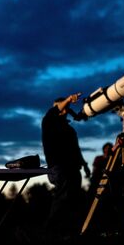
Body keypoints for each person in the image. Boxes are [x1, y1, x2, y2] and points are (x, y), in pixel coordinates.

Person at [41, 94, 90, 236]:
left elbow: (76, 149)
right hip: (59, 167)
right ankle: (49, 233)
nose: (61, 109)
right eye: (59, 106)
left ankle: (69, 232)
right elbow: (56, 109)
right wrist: (68, 100)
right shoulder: (48, 121)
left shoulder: (70, 130)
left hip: (73, 168)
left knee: (74, 201)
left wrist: (85, 165)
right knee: (62, 200)